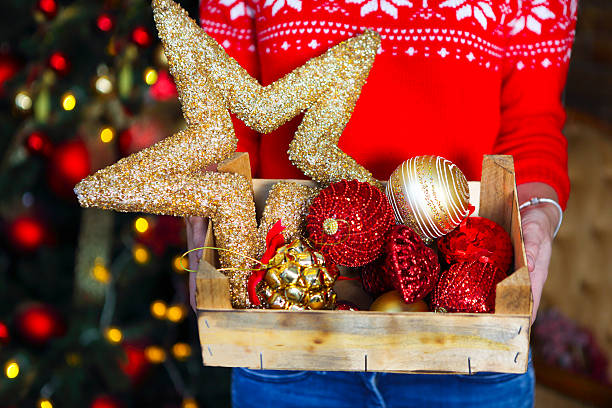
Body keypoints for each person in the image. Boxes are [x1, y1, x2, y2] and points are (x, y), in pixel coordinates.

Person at [185, 1, 578, 407]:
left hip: (468, 334)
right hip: (283, 325)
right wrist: (211, 200)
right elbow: (229, 117)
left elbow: (531, 126)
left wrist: (536, 215)